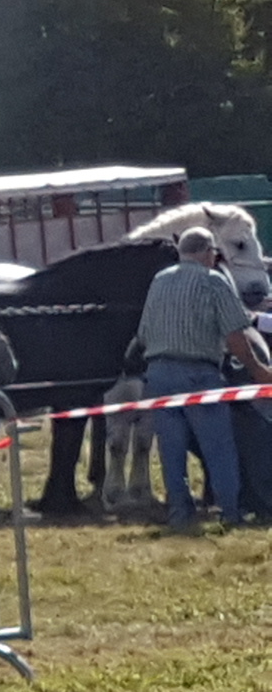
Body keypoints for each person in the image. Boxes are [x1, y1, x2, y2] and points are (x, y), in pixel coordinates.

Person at [135, 226, 272, 530]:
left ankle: (180, 515)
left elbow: (143, 333)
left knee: (171, 451)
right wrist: (258, 371)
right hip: (198, 374)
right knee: (218, 448)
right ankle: (230, 514)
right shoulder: (214, 281)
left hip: (157, 375)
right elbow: (236, 335)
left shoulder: (159, 280)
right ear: (208, 253)